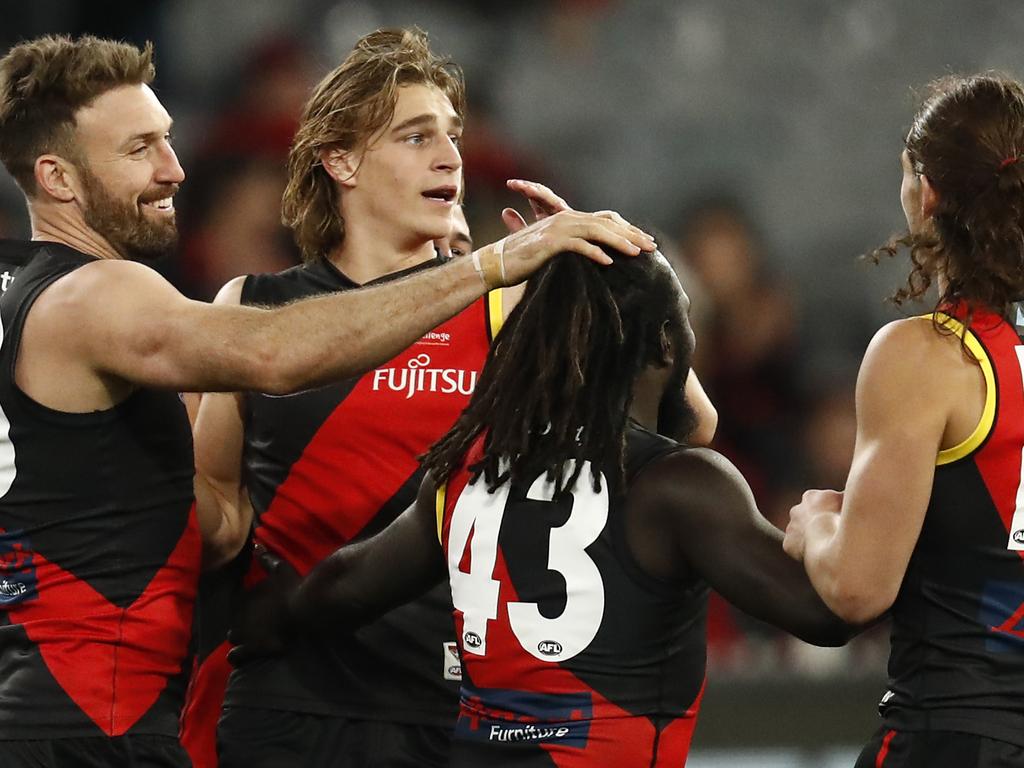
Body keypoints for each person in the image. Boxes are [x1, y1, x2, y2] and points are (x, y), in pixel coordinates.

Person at [0, 34, 652, 768]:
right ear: (56, 175)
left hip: (72, 701)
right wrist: (492, 264)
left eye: (167, 140)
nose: (174, 168)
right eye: (140, 148)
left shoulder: (18, 291)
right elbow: (276, 355)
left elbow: (211, 526)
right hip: (115, 714)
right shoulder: (109, 293)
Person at [182, 28, 691, 768]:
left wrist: (627, 279)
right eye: (416, 137)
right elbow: (217, 514)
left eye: (452, 134)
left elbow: (685, 423)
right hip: (289, 701)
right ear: (340, 159)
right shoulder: (254, 306)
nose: (450, 156)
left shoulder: (510, 307)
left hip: (459, 709)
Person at [232, 248, 850, 767]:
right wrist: (822, 524)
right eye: (683, 320)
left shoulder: (468, 467)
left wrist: (262, 611)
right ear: (665, 343)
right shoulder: (678, 486)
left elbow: (342, 587)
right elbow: (824, 614)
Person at [783, 74, 1024, 768]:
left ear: (928, 195)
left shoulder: (926, 356)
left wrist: (817, 528)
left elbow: (858, 587)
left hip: (953, 733)